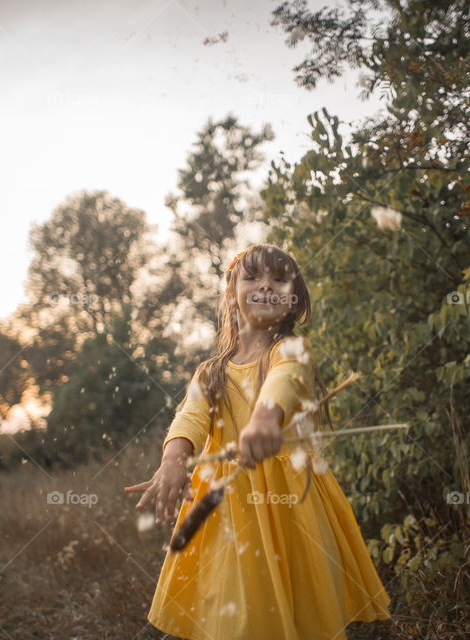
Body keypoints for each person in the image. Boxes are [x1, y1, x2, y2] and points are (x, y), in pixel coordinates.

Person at [124, 243, 391, 639]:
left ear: (295, 299)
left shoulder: (291, 350)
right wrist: (173, 460)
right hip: (228, 512)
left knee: (300, 610)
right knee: (236, 611)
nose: (267, 285)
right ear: (232, 294)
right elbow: (190, 418)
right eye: (253, 277)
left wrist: (266, 416)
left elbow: (286, 380)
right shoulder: (210, 372)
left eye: (279, 279)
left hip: (291, 507)